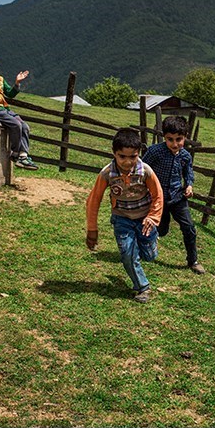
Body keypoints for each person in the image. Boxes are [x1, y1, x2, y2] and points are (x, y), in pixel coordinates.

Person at [86, 128, 164, 303]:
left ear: (139, 154)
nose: (128, 162)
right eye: (122, 156)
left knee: (149, 256)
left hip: (145, 220)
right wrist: (92, 229)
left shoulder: (145, 171)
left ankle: (151, 241)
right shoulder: (107, 173)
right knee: (128, 254)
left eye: (133, 156)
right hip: (122, 218)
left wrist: (153, 217)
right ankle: (143, 287)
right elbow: (93, 200)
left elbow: (158, 195)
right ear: (114, 153)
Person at [142, 115, 204, 274]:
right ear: (164, 137)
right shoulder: (155, 151)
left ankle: (193, 261)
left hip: (178, 197)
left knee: (189, 227)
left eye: (179, 139)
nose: (175, 143)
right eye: (170, 139)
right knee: (161, 230)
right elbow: (143, 169)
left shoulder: (185, 156)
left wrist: (189, 185)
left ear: (185, 137)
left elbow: (188, 172)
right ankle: (146, 246)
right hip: (158, 198)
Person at [0, 55, 38, 170]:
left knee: (24, 126)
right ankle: (15, 152)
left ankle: (23, 155)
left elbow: (10, 94)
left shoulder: (0, 79)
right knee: (16, 124)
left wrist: (17, 83)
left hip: (5, 109)